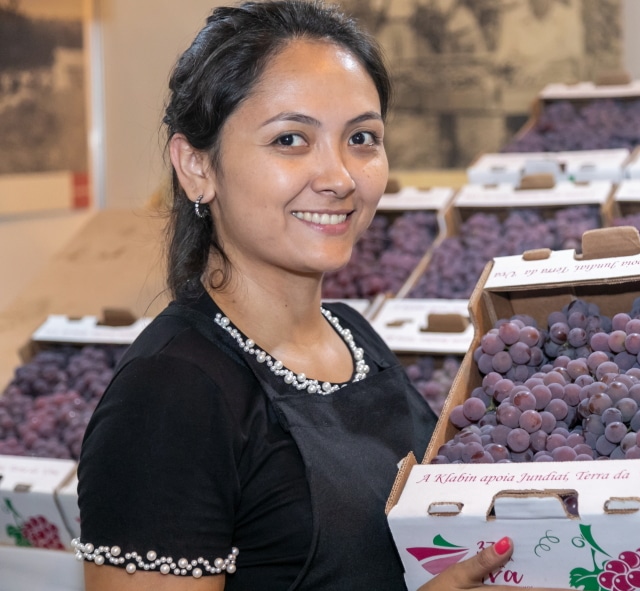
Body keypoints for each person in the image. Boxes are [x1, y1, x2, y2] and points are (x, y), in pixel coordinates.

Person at [74, 2, 568, 590]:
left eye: (362, 138)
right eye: (290, 139)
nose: (339, 177)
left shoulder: (353, 334)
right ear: (196, 166)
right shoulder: (171, 396)